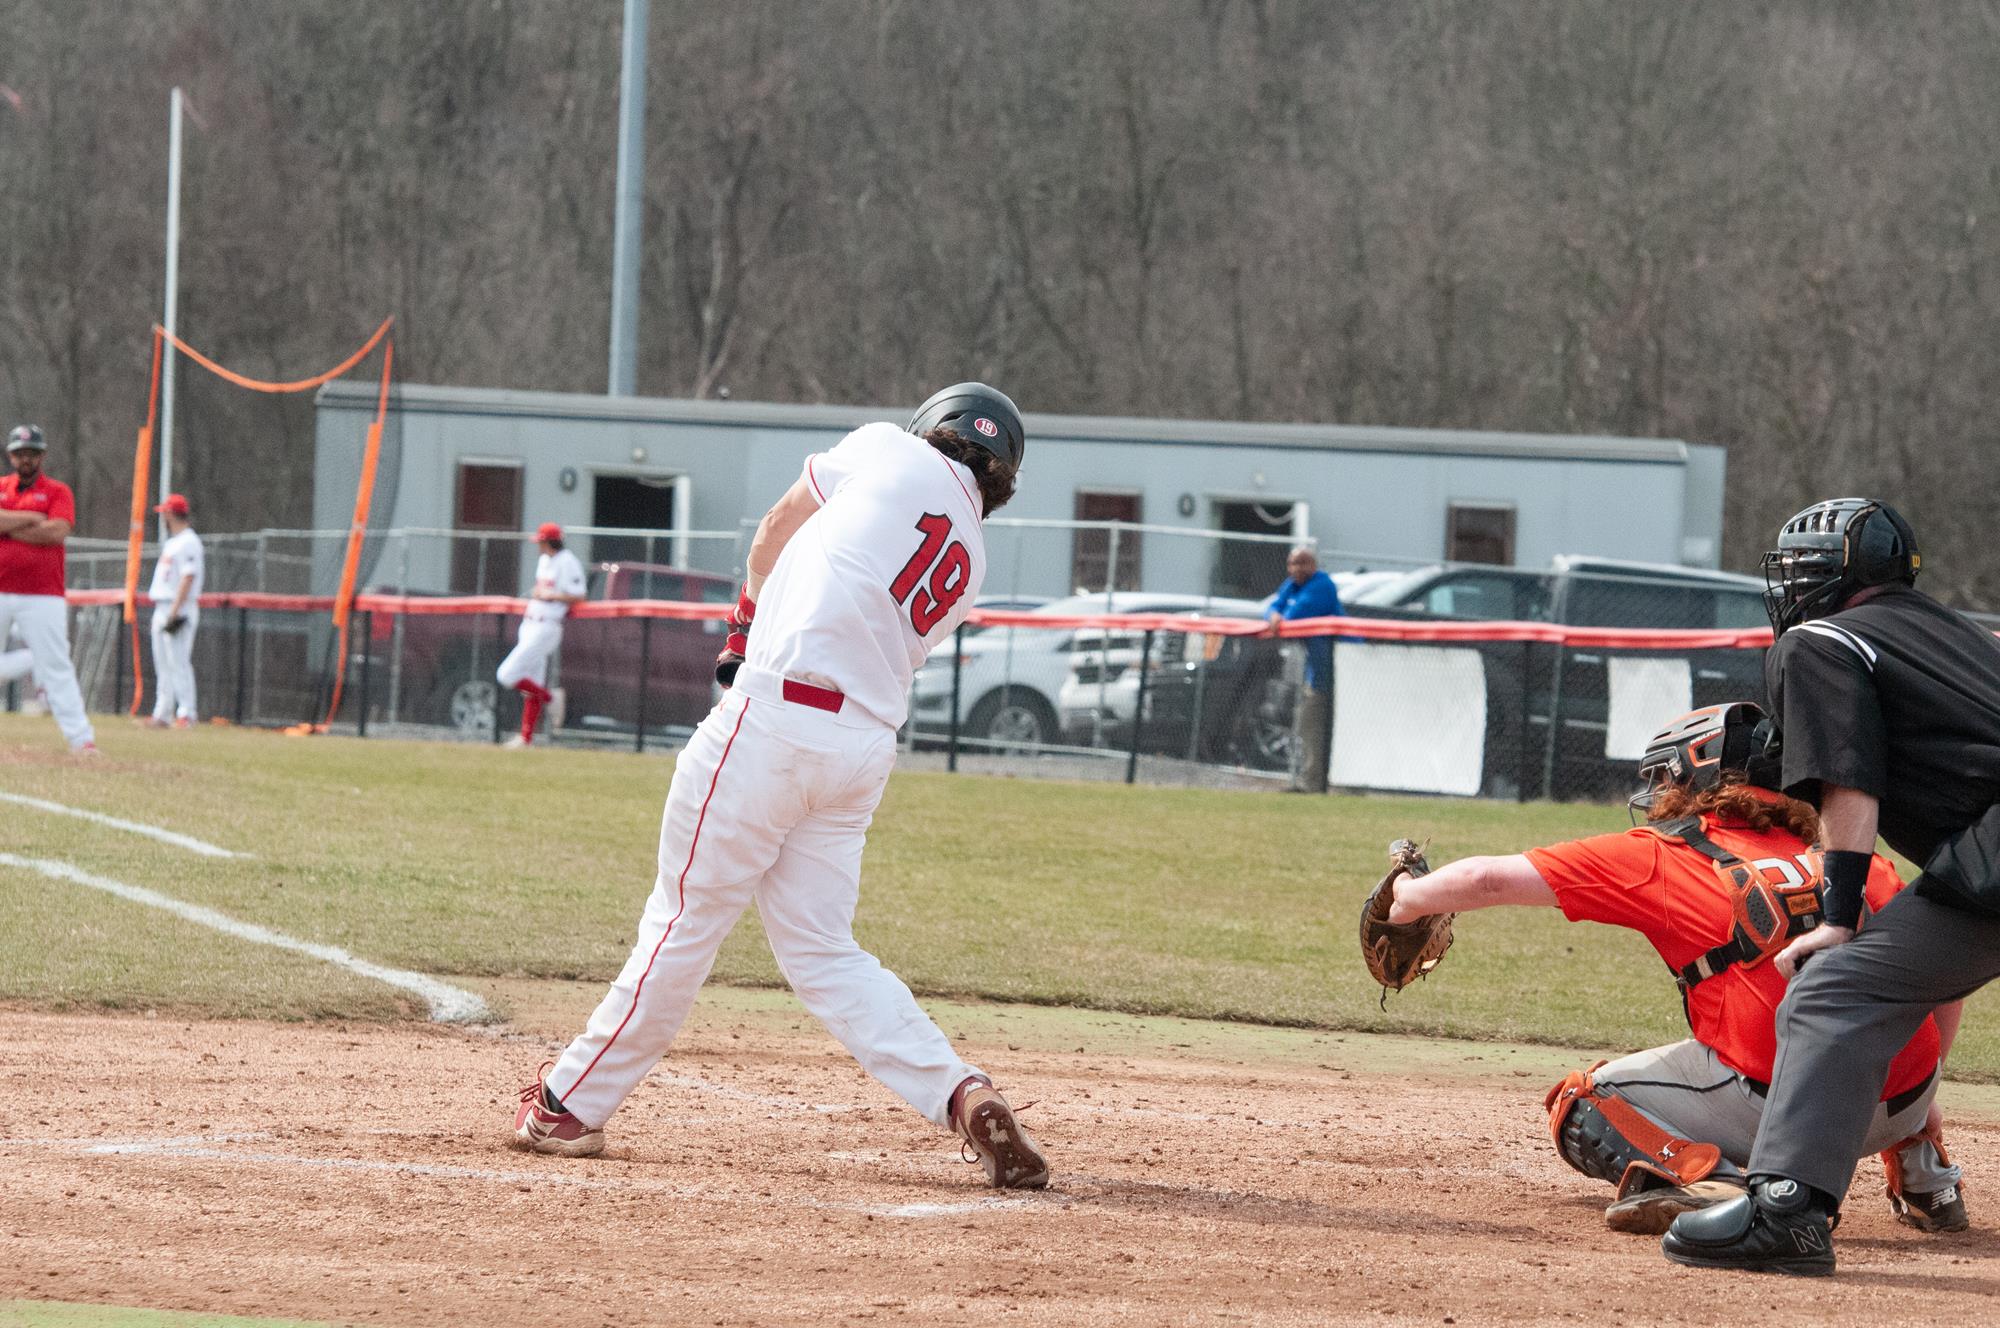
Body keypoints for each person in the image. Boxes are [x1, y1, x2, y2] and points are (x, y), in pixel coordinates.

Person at [513, 382, 1049, 1190]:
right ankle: (959, 1091)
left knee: (684, 918)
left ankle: (569, 1105)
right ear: (1002, 479)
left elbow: (776, 526)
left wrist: (741, 627)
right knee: (825, 953)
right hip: (861, 749)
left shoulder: (888, 448)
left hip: (775, 720)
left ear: (930, 428)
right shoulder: (970, 561)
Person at [1384, 702, 1962, 1238]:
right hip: (1901, 1099)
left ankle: (1710, 1181)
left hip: (1784, 1120)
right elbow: (1944, 980)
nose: (1661, 791)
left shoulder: (1668, 855)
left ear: (1701, 779)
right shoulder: (1857, 860)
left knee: (1585, 1101)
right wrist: (1924, 1083)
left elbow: (1489, 879)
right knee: (1867, 1014)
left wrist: (1409, 898)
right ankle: (1926, 1177)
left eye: (1668, 777)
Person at [1663, 498, 2000, 1276]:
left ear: (1825, 578)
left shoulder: (1820, 639)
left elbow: (1851, 781)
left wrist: (1838, 916)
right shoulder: (1962, 635)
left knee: (1836, 988)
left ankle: (1787, 1212)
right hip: (1985, 859)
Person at [0, 424, 95, 754]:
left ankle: (81, 739)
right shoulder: (1, 487)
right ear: (11, 455)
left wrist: (9, 525)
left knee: (56, 667)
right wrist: (31, 517)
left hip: (43, 593)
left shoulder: (58, 491)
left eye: (32, 453)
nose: (26, 459)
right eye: (20, 453)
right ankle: (28, 660)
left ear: (41, 456)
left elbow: (56, 532)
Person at [496, 521, 586, 747]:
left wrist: (551, 595)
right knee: (532, 683)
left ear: (549, 542)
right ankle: (526, 738)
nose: (538, 546)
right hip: (530, 622)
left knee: (506, 675)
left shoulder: (568, 562)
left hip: (547, 625)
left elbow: (579, 595)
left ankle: (551, 698)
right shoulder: (545, 560)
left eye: (541, 541)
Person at [1263, 546, 1344, 791]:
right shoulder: (1292, 585)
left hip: (1342, 670)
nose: (1297, 569)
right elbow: (1269, 608)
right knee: (1307, 723)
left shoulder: (1322, 585)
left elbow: (1295, 615)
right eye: (1293, 563)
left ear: (1314, 565)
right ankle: (1310, 782)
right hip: (1317, 673)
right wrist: (1273, 615)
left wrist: (1278, 617)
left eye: (1303, 563)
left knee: (1313, 723)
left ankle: (1315, 783)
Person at [144, 493, 205, 728]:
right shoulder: (173, 542)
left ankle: (187, 713)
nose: (163, 517)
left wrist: (175, 610)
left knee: (178, 662)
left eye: (164, 512)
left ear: (170, 513)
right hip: (163, 605)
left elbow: (188, 577)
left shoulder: (189, 541)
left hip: (178, 607)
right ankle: (163, 712)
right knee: (162, 663)